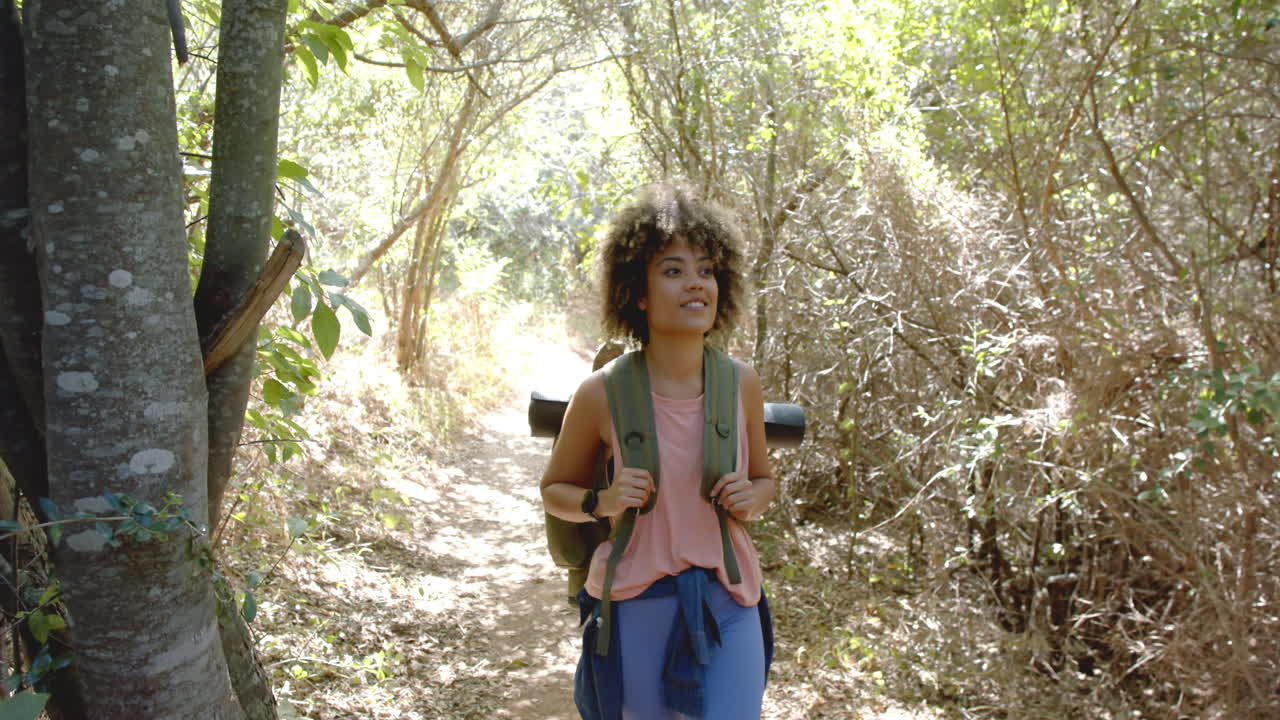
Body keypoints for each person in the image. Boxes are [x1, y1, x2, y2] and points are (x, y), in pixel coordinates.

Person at [540, 183, 776, 719]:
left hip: (731, 596)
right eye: (673, 270)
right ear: (638, 293)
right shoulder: (602, 392)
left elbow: (765, 482)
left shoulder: (740, 383)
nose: (696, 284)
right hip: (634, 599)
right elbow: (554, 490)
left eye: (706, 270)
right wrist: (601, 502)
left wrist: (752, 496)